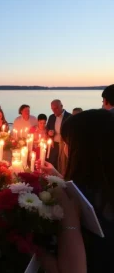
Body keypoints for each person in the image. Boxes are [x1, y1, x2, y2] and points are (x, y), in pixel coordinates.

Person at [41, 109, 114, 272]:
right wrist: (57, 175)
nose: (65, 148)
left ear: (83, 149)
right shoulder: (104, 186)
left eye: (68, 143)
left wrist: (30, 246)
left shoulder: (80, 201)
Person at [46, 100, 71, 169]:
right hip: (54, 145)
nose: (54, 111)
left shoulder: (69, 117)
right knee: (53, 163)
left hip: (65, 145)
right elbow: (47, 129)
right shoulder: (51, 117)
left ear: (61, 106)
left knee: (64, 164)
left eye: (56, 108)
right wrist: (49, 133)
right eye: (52, 109)